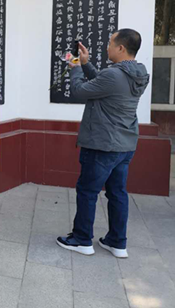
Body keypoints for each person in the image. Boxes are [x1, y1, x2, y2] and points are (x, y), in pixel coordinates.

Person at [57, 29, 149, 259]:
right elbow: (104, 85)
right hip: (125, 144)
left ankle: (82, 240)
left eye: (110, 43)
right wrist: (86, 64)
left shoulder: (114, 75)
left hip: (102, 144)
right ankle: (117, 242)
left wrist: (75, 66)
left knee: (88, 191)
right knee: (117, 193)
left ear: (121, 48)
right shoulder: (139, 73)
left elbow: (80, 91)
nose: (107, 47)